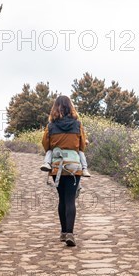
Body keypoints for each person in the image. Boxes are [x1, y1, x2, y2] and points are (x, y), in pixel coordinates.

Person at [41, 96, 87, 247]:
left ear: (55, 108)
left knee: (61, 198)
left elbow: (45, 145)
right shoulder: (77, 125)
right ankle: (70, 234)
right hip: (74, 166)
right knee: (70, 200)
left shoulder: (51, 126)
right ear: (71, 107)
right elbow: (82, 146)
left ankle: (63, 232)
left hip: (56, 166)